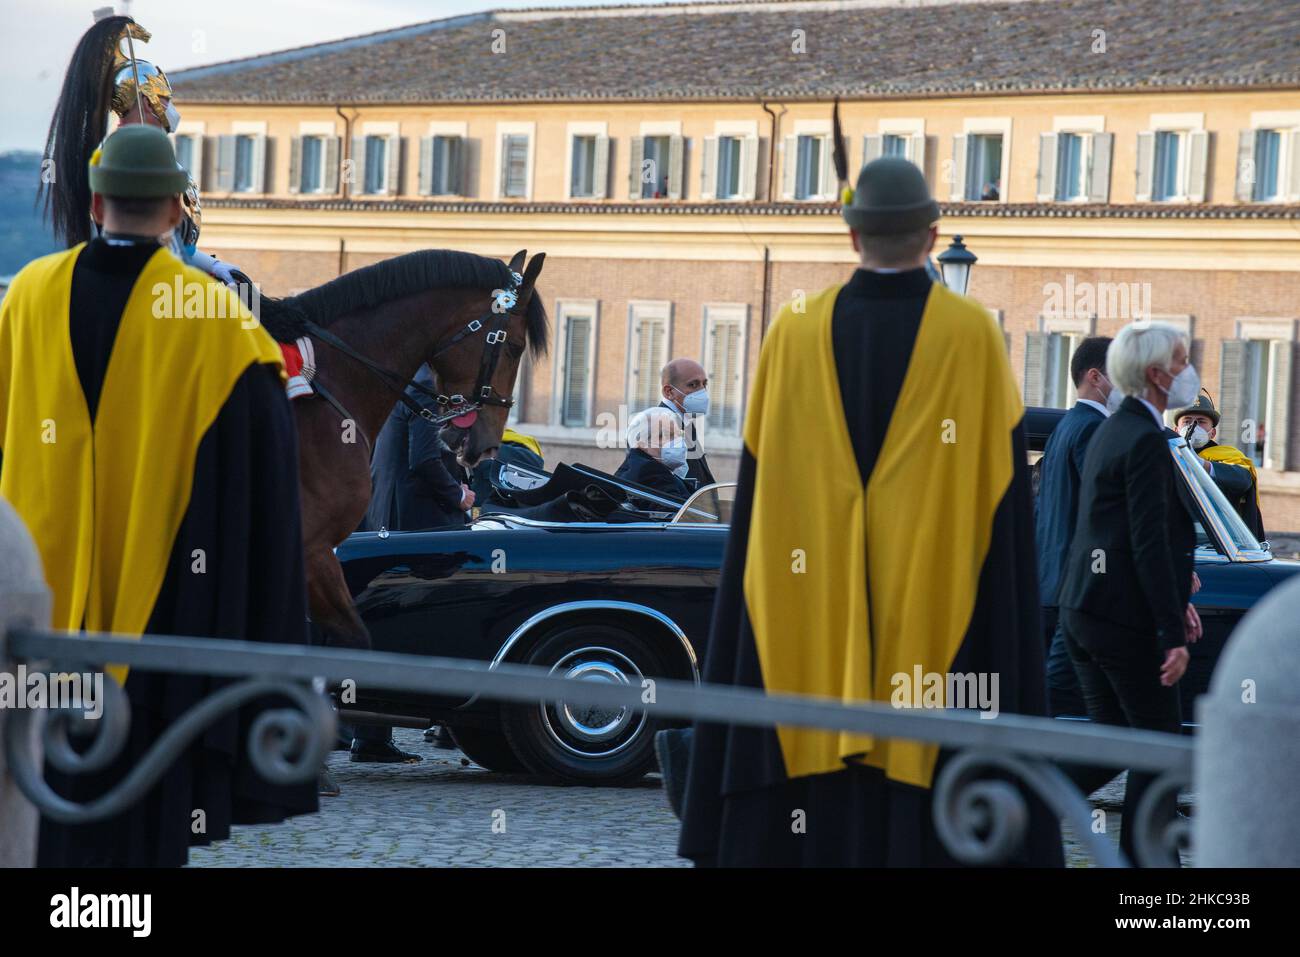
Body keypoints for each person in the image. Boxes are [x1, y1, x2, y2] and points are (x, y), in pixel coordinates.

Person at [676, 156, 1062, 866]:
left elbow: (758, 510)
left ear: (852, 237)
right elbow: (1003, 518)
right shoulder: (972, 336)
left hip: (802, 645)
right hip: (939, 657)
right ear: (933, 234)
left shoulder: (790, 334)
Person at [0, 125, 316, 866]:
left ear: (96, 200)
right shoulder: (223, 330)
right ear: (177, 211)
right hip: (160, 637)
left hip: (26, 632)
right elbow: (265, 514)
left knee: (28, 822)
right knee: (133, 842)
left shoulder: (23, 302)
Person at [41, 12, 313, 400]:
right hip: (139, 279)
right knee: (239, 323)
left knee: (244, 293)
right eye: (165, 97)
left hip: (170, 269)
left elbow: (177, 243)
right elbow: (147, 237)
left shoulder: (152, 152)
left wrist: (213, 265)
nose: (171, 106)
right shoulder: (119, 153)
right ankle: (276, 393)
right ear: (148, 98)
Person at [1057, 321, 1201, 867]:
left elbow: (1126, 537)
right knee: (1158, 747)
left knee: (1116, 738)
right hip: (1120, 618)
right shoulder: (1140, 437)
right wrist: (1171, 633)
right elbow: (1144, 541)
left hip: (1089, 611)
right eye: (1183, 360)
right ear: (1157, 374)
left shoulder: (1118, 428)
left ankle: (1022, 796)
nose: (1190, 371)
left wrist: (1175, 603)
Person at [354, 364, 476, 762]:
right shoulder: (428, 386)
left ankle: (371, 736)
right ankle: (448, 725)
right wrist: (458, 495)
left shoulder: (405, 378)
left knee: (384, 625)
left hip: (386, 511)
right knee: (439, 621)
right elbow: (423, 458)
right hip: (417, 521)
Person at [1034, 336, 1118, 717]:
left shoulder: (1067, 426)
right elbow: (1101, 508)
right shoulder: (1091, 429)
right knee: (1062, 696)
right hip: (1077, 585)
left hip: (1053, 580)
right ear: (1095, 376)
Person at [1171, 393, 1265, 540]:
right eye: (1187, 421)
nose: (1193, 426)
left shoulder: (1227, 456)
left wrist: (1202, 465)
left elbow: (1243, 480)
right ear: (1176, 430)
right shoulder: (1165, 455)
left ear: (1212, 433)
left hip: (1216, 541)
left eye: (1201, 422)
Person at [659, 357, 716, 489]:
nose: (703, 391)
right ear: (669, 392)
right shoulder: (661, 426)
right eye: (693, 385)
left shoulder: (684, 421)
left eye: (704, 384)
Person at [615, 407, 692, 499]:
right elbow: (678, 510)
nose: (678, 441)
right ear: (642, 443)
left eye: (679, 435)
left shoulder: (637, 465)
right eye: (666, 435)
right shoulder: (649, 472)